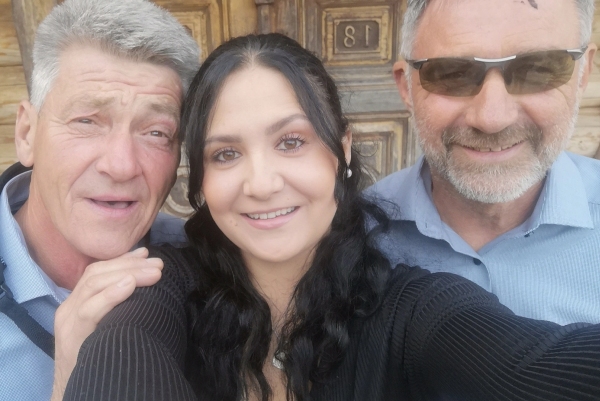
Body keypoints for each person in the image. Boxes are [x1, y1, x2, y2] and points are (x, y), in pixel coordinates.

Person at [57, 33, 600, 401]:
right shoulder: (161, 286)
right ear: (199, 180)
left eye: (291, 142)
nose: (261, 182)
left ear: (341, 151)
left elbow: (530, 366)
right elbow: (124, 358)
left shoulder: (410, 308)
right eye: (226, 153)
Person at [0, 0, 200, 399]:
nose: (121, 166)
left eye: (156, 132)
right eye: (87, 121)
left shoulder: (203, 265)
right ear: (27, 133)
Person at [368, 0, 600, 325]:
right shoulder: (350, 234)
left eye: (537, 70)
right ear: (406, 86)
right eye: (452, 74)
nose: (492, 119)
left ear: (583, 73)